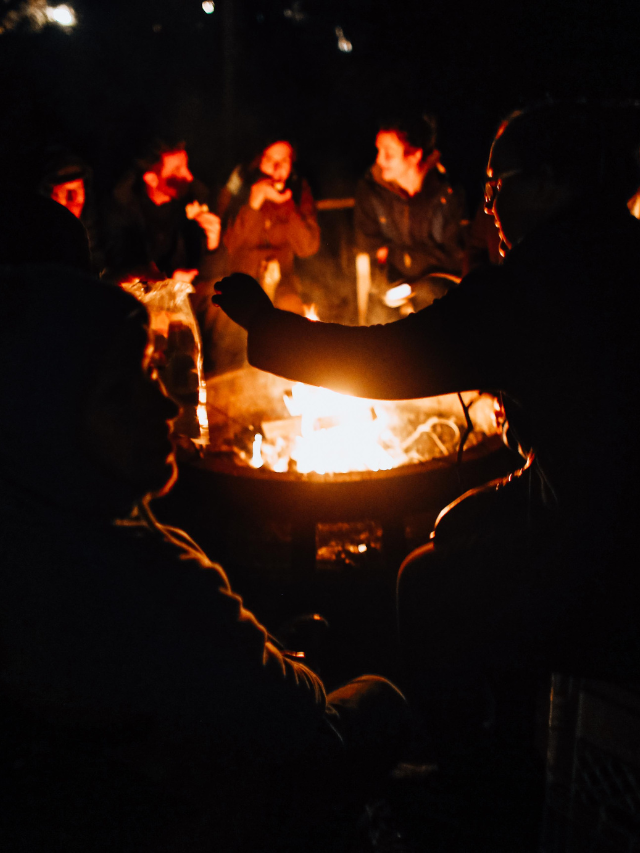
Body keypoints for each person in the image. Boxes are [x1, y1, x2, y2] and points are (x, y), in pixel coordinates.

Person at [212, 100, 640, 748]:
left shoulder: (533, 285)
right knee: (456, 522)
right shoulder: (616, 244)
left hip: (601, 532)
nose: (487, 203)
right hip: (597, 496)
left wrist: (268, 327)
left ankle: (460, 761)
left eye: (501, 185)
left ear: (551, 182)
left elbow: (383, 360)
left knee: (424, 577)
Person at [0, 265, 409, 852]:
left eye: (149, 373)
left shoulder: (30, 535)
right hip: (206, 801)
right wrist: (297, 672)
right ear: (49, 424)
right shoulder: (157, 578)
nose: (165, 404)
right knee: (380, 698)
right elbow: (294, 711)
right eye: (122, 392)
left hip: (118, 790)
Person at [355, 114, 466, 316]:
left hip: (436, 286)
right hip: (391, 285)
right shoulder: (371, 191)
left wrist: (415, 277)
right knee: (376, 324)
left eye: (389, 153)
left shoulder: (447, 192)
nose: (379, 160)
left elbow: (454, 256)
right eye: (379, 150)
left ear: (415, 154)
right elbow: (368, 245)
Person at [219, 138, 320, 314]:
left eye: (284, 161)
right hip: (242, 282)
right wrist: (254, 204)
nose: (277, 168)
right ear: (258, 160)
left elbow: (308, 248)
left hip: (284, 284)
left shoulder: (297, 188)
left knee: (293, 320)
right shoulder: (240, 186)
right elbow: (228, 244)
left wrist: (286, 205)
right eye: (269, 160)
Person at [104, 141, 221, 285]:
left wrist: (213, 246)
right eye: (177, 170)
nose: (189, 176)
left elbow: (212, 279)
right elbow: (119, 270)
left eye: (186, 166)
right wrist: (169, 277)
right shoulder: (123, 208)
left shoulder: (196, 198)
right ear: (152, 179)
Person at [38, 147, 106, 274]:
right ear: (49, 196)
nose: (73, 199)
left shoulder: (98, 228)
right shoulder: (39, 243)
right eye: (64, 191)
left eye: (77, 189)